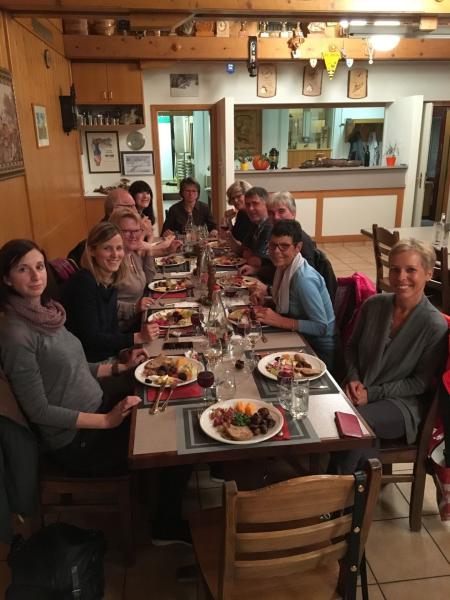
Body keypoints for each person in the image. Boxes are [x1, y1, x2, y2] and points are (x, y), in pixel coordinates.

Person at [0, 238, 146, 476]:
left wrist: (120, 367)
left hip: (98, 406)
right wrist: (107, 421)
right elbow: (39, 410)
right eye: (23, 269)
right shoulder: (16, 335)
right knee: (161, 443)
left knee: (161, 404)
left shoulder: (46, 313)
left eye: (39, 266)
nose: (36, 276)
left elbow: (75, 365)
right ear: (7, 279)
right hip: (76, 440)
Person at [329, 239, 448, 474]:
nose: (401, 277)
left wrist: (371, 393)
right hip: (360, 388)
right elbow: (351, 347)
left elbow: (419, 383)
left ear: (428, 273)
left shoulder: (434, 325)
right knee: (330, 413)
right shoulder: (373, 304)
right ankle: (365, 484)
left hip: (402, 403)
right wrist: (353, 379)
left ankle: (334, 488)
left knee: (357, 421)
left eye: (411, 270)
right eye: (395, 269)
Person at [62, 222, 159, 362]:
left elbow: (112, 329)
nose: (115, 255)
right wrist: (137, 337)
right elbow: (92, 339)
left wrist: (123, 352)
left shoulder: (109, 280)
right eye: (107, 248)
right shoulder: (83, 284)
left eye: (119, 248)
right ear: (92, 251)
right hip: (88, 364)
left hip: (108, 355)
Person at [251, 220, 337, 369]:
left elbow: (321, 327)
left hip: (318, 350)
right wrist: (267, 301)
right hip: (298, 337)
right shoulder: (284, 267)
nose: (276, 251)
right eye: (272, 245)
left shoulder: (304, 280)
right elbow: (292, 303)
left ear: (298, 247)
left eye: (284, 246)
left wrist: (280, 320)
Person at [240, 190, 316, 279]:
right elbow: (276, 269)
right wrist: (256, 270)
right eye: (271, 213)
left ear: (293, 213)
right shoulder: (276, 236)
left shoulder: (301, 240)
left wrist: (267, 287)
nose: (276, 217)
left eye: (281, 211)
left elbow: (307, 278)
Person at [109, 208, 156, 332]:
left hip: (139, 320)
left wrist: (149, 249)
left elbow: (150, 280)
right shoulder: (113, 262)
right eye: (127, 231)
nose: (133, 236)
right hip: (123, 330)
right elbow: (105, 305)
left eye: (136, 230)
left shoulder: (132, 254)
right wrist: (134, 307)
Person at [68, 188, 139, 267]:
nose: (136, 211)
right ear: (115, 209)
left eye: (134, 206)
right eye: (130, 206)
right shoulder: (100, 238)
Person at [224, 179, 252, 244]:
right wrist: (229, 220)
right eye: (233, 198)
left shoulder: (254, 215)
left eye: (239, 196)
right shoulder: (241, 213)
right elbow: (235, 236)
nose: (235, 201)